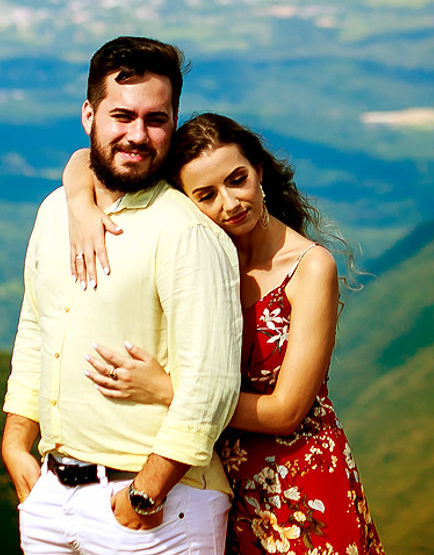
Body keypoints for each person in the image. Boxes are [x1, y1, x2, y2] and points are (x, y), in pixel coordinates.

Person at [64, 113, 386, 555]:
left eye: (238, 180)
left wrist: (168, 390)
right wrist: (80, 205)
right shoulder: (203, 257)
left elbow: (285, 412)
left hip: (301, 487)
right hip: (214, 484)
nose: (230, 203)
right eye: (207, 195)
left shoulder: (309, 267)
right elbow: (87, 159)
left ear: (260, 171)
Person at [3, 36, 244, 555]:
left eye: (156, 119)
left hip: (157, 510)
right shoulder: (54, 212)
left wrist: (146, 492)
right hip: (50, 494)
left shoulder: (188, 233)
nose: (138, 134)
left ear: (173, 124)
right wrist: (15, 441)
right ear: (89, 116)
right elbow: (35, 328)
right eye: (122, 116)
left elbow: (213, 384)